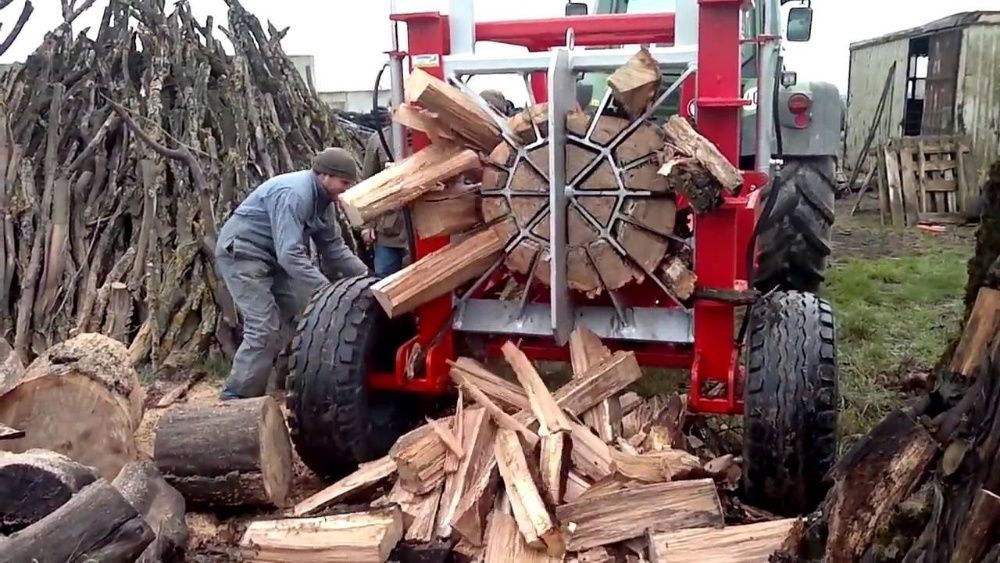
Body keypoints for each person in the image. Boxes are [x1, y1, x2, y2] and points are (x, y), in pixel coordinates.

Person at [215, 147, 368, 399]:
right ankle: (235, 398)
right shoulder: (295, 195)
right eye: (344, 182)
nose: (346, 189)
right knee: (263, 327)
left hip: (273, 258)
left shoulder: (325, 203)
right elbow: (290, 255)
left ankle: (281, 387)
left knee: (302, 315)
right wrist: (328, 291)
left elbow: (334, 249)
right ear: (325, 176)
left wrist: (367, 278)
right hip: (243, 254)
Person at [361, 128, 409, 277]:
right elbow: (368, 186)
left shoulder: (431, 133)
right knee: (383, 280)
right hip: (389, 229)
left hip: (423, 228)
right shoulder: (379, 140)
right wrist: (367, 224)